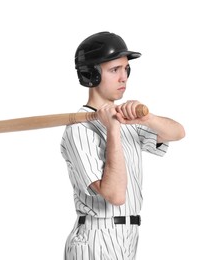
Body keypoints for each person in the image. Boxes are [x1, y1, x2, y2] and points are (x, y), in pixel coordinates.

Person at [60, 31, 185, 260]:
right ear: (92, 75)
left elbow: (178, 132)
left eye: (126, 69)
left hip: (128, 235)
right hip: (96, 236)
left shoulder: (126, 120)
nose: (124, 77)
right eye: (114, 70)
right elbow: (115, 195)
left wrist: (147, 119)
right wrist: (112, 129)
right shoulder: (78, 130)